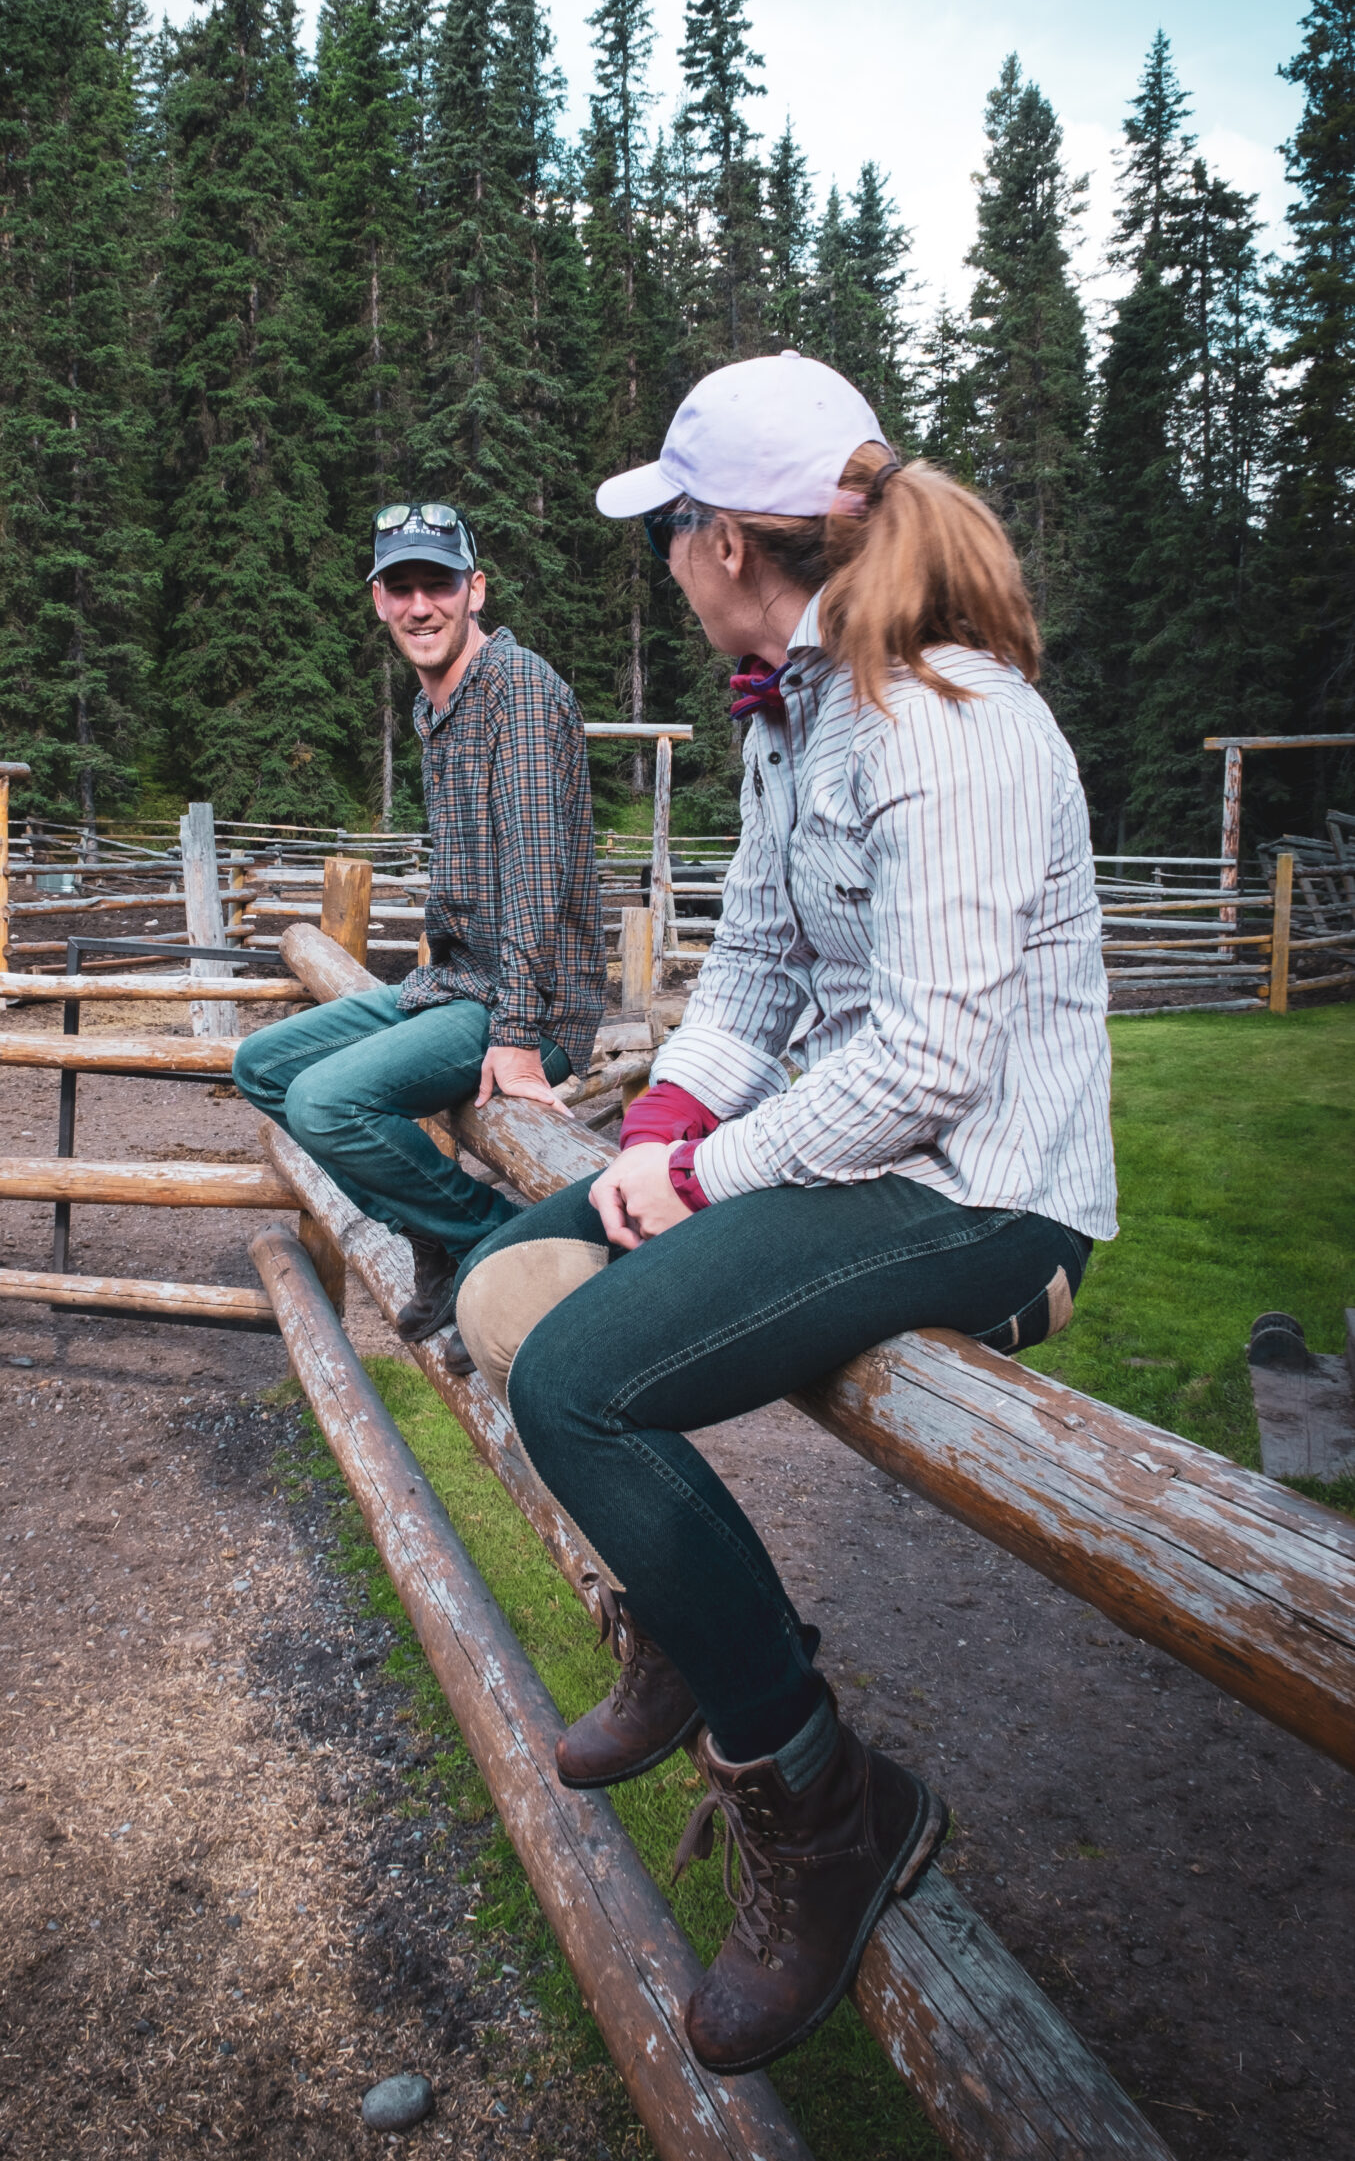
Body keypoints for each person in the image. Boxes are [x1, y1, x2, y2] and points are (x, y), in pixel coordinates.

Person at [451, 353, 1116, 2072]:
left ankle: (826, 1800)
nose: (660, 564)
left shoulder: (944, 722)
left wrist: (691, 1176)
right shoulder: (805, 705)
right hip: (852, 1147)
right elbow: (753, 962)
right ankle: (690, 1632)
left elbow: (923, 1061)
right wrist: (660, 1120)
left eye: (666, 532)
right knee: (497, 1285)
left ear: (726, 543)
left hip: (975, 1186)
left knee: (576, 1381)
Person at [233, 501, 607, 1342]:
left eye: (436, 584)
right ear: (377, 601)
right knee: (263, 1064)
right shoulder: (434, 706)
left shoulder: (517, 691)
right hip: (457, 986)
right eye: (397, 588)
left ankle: (491, 1241)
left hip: (529, 1002)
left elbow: (536, 880)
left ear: (474, 589)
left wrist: (515, 1034)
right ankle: (437, 1234)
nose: (418, 606)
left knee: (326, 1103)